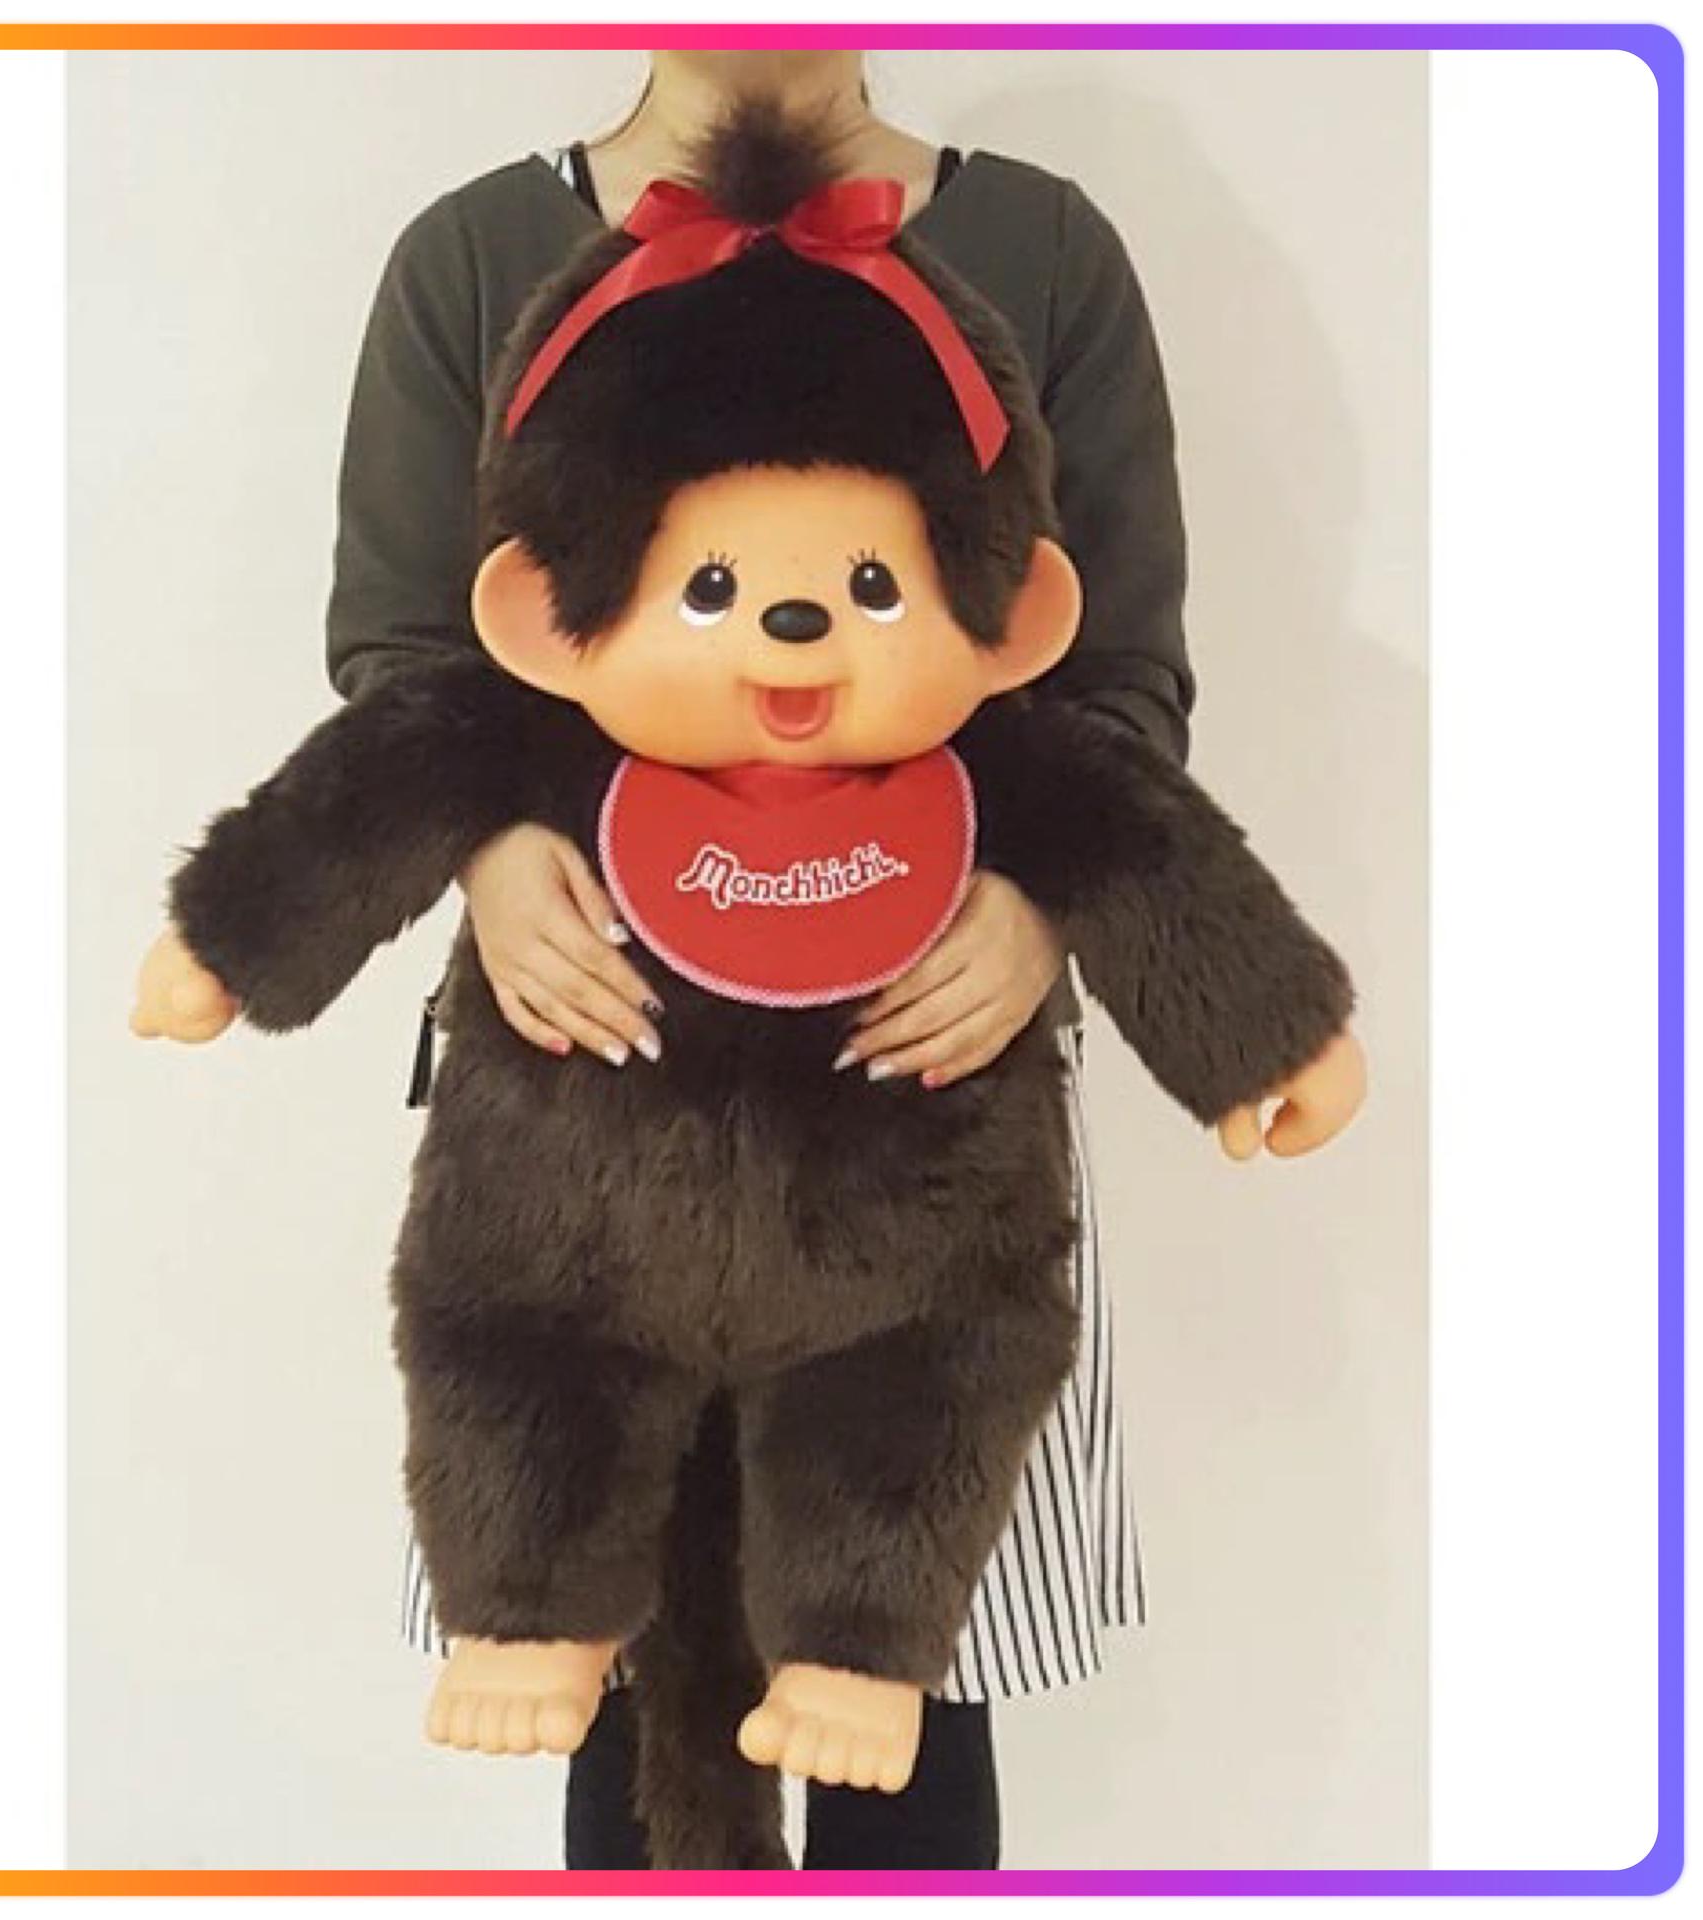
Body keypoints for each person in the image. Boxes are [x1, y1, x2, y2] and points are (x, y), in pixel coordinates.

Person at [336, 50, 1192, 1871]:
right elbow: (404, 649)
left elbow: (1118, 665)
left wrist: (1036, 908)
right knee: (604, 1640)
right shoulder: (474, 255)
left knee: (903, 1664)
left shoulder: (1042, 250)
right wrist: (490, 854)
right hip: (589, 1079)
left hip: (928, 1087)